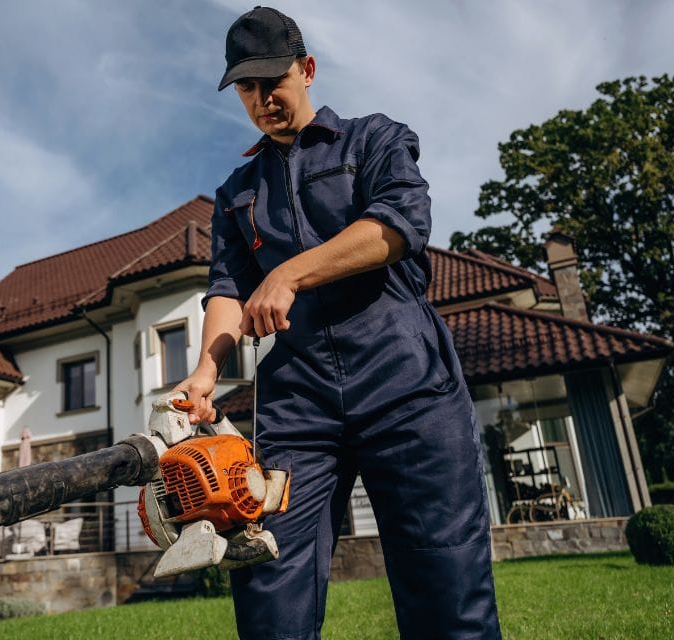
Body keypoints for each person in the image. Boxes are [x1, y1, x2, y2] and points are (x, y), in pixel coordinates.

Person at [174, 7, 502, 639]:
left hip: (406, 387)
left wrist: (289, 274)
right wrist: (206, 369)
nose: (263, 97)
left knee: (446, 588)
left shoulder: (373, 139)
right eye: (247, 87)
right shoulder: (237, 192)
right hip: (298, 408)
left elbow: (399, 226)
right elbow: (226, 290)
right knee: (268, 583)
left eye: (274, 79)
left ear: (308, 69)